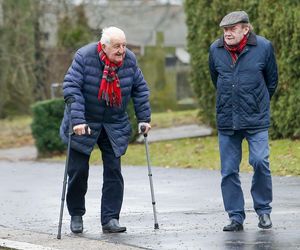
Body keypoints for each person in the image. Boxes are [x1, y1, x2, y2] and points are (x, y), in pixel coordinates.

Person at [60, 26, 151, 234]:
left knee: (113, 171)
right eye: (117, 46)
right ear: (104, 46)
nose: (122, 50)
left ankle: (110, 219)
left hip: (113, 122)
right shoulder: (84, 57)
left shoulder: (129, 60)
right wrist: (78, 121)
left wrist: (144, 118)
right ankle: (76, 214)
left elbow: (140, 89)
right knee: (78, 171)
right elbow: (71, 88)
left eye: (124, 45)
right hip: (84, 121)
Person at [209, 11, 278, 231]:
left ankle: (264, 211)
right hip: (227, 119)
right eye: (225, 30)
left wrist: (257, 102)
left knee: (260, 162)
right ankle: (235, 216)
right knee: (228, 170)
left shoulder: (264, 47)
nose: (227, 34)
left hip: (256, 118)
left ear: (245, 29)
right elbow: (215, 79)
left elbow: (271, 82)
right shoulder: (215, 49)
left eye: (232, 29)